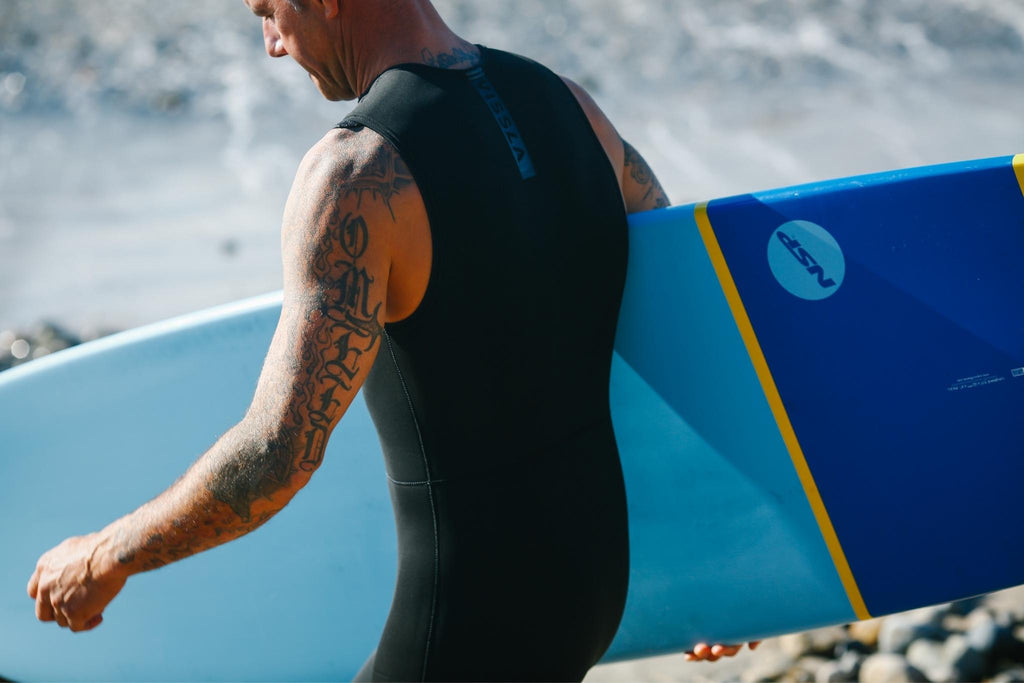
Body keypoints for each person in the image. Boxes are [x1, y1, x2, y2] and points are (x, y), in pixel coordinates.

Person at [27, 0, 754, 678]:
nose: (272, 45)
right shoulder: (572, 106)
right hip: (592, 595)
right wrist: (729, 566)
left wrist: (104, 555)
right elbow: (684, 329)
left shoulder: (356, 177)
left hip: (465, 629)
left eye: (268, 11)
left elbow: (278, 451)